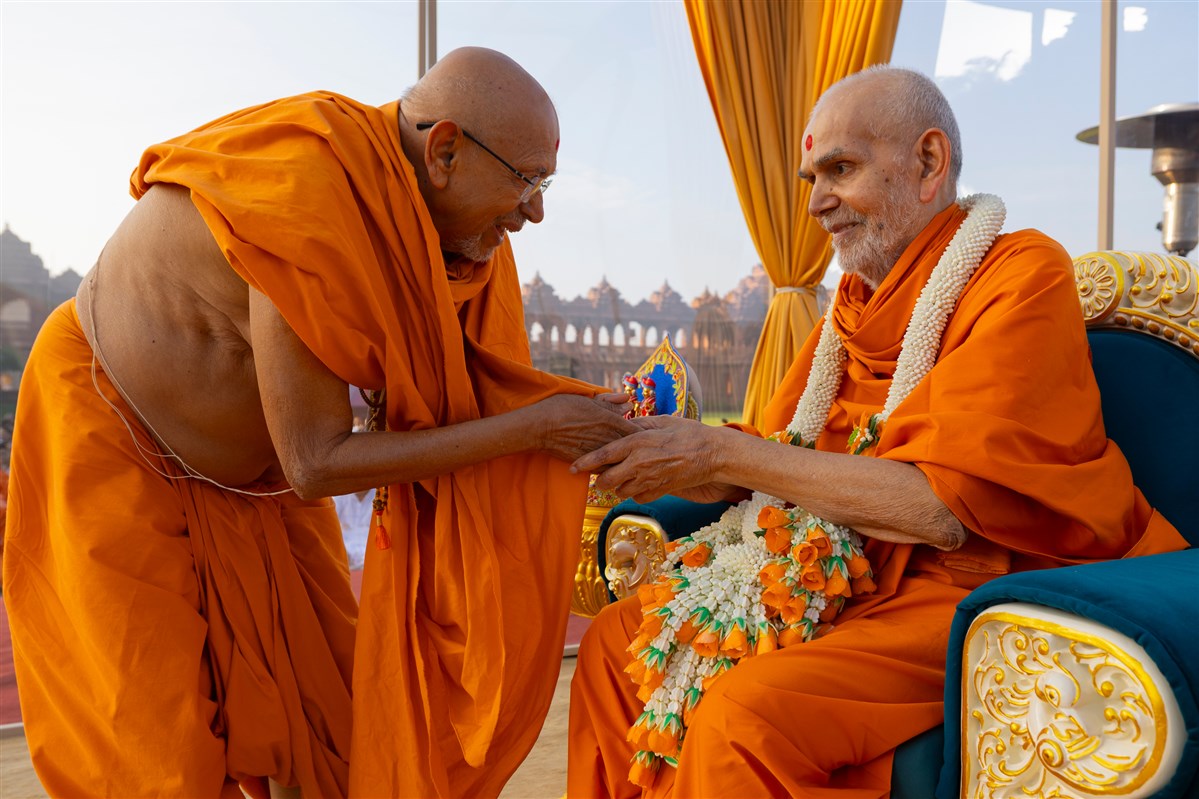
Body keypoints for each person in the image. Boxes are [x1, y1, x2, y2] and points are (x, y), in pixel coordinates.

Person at [3, 47, 634, 799]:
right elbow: (318, 460)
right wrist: (535, 429)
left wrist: (583, 416)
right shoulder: (308, 200)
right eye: (526, 181)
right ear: (444, 151)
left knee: (339, 719)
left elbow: (476, 391)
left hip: (258, 481)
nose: (534, 211)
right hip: (113, 428)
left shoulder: (449, 239)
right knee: (153, 751)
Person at [565, 66, 1189, 798]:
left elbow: (939, 510)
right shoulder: (851, 308)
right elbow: (774, 452)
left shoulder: (1020, 272)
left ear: (927, 163)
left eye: (839, 169)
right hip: (844, 573)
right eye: (809, 177)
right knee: (614, 643)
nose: (817, 202)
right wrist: (662, 452)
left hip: (974, 581)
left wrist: (722, 449)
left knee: (743, 713)